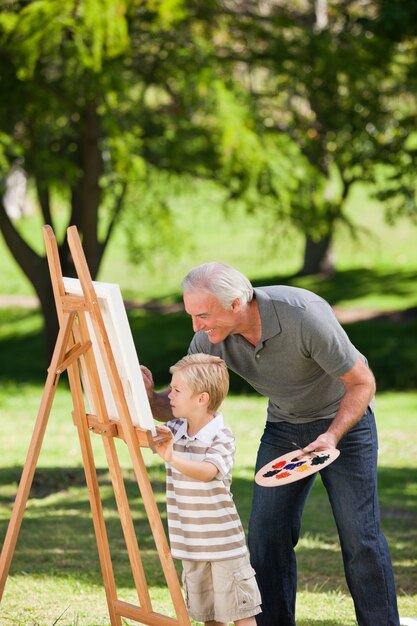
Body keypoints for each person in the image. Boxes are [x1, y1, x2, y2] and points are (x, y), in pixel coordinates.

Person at [142, 262, 400, 626]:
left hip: (345, 424)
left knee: (361, 538)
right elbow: (182, 405)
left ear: (235, 304)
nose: (196, 326)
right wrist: (146, 397)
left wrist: (331, 436)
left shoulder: (303, 316)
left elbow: (362, 383)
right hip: (285, 427)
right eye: (192, 316)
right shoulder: (210, 339)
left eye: (202, 315)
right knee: (266, 537)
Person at [152, 352, 262, 626]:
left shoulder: (221, 436)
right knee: (209, 617)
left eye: (176, 390)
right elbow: (142, 432)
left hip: (224, 546)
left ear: (202, 399)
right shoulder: (174, 430)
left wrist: (172, 458)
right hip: (191, 545)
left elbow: (207, 472)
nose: (169, 396)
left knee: (240, 614)